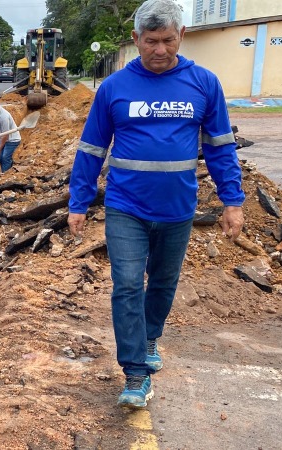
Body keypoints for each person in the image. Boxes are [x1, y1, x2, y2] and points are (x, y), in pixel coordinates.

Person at [67, 0, 245, 409]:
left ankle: (148, 338)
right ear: (136, 40)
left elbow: (220, 148)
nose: (160, 50)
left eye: (167, 40)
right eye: (151, 42)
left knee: (163, 284)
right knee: (127, 285)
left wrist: (232, 201)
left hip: (178, 209)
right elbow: (92, 148)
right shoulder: (114, 88)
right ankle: (134, 373)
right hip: (125, 206)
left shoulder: (204, 83)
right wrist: (79, 201)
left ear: (181, 36)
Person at [0, 98, 22, 172]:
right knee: (0, 158)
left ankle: (5, 177)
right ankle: (8, 169)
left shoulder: (4, 117)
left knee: (5, 158)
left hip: (12, 140)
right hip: (2, 139)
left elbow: (6, 136)